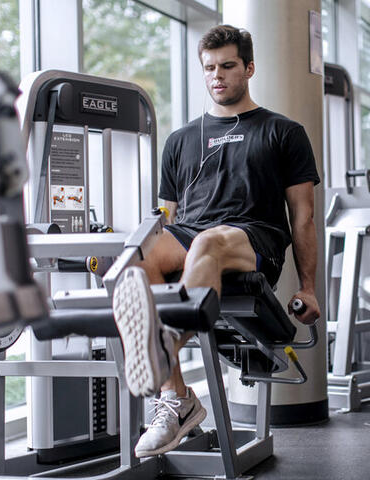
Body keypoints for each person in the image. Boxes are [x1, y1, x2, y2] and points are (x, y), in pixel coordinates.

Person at [112, 24, 321, 458]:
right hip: (192, 234)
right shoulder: (179, 140)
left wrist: (308, 288)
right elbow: (166, 219)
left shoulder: (283, 132)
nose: (217, 76)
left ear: (249, 68)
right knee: (137, 254)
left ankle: (160, 344)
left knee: (208, 242)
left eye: (227, 66)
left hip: (253, 238)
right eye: (209, 68)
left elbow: (303, 217)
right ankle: (178, 400)